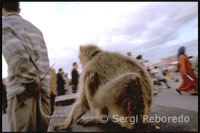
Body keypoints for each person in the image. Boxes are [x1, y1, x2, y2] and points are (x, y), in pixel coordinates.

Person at [2, 2, 51, 132]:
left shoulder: (4, 25)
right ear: (19, 8)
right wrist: (41, 83)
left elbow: (17, 58)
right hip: (43, 92)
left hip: (23, 94)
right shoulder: (35, 29)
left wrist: (33, 82)